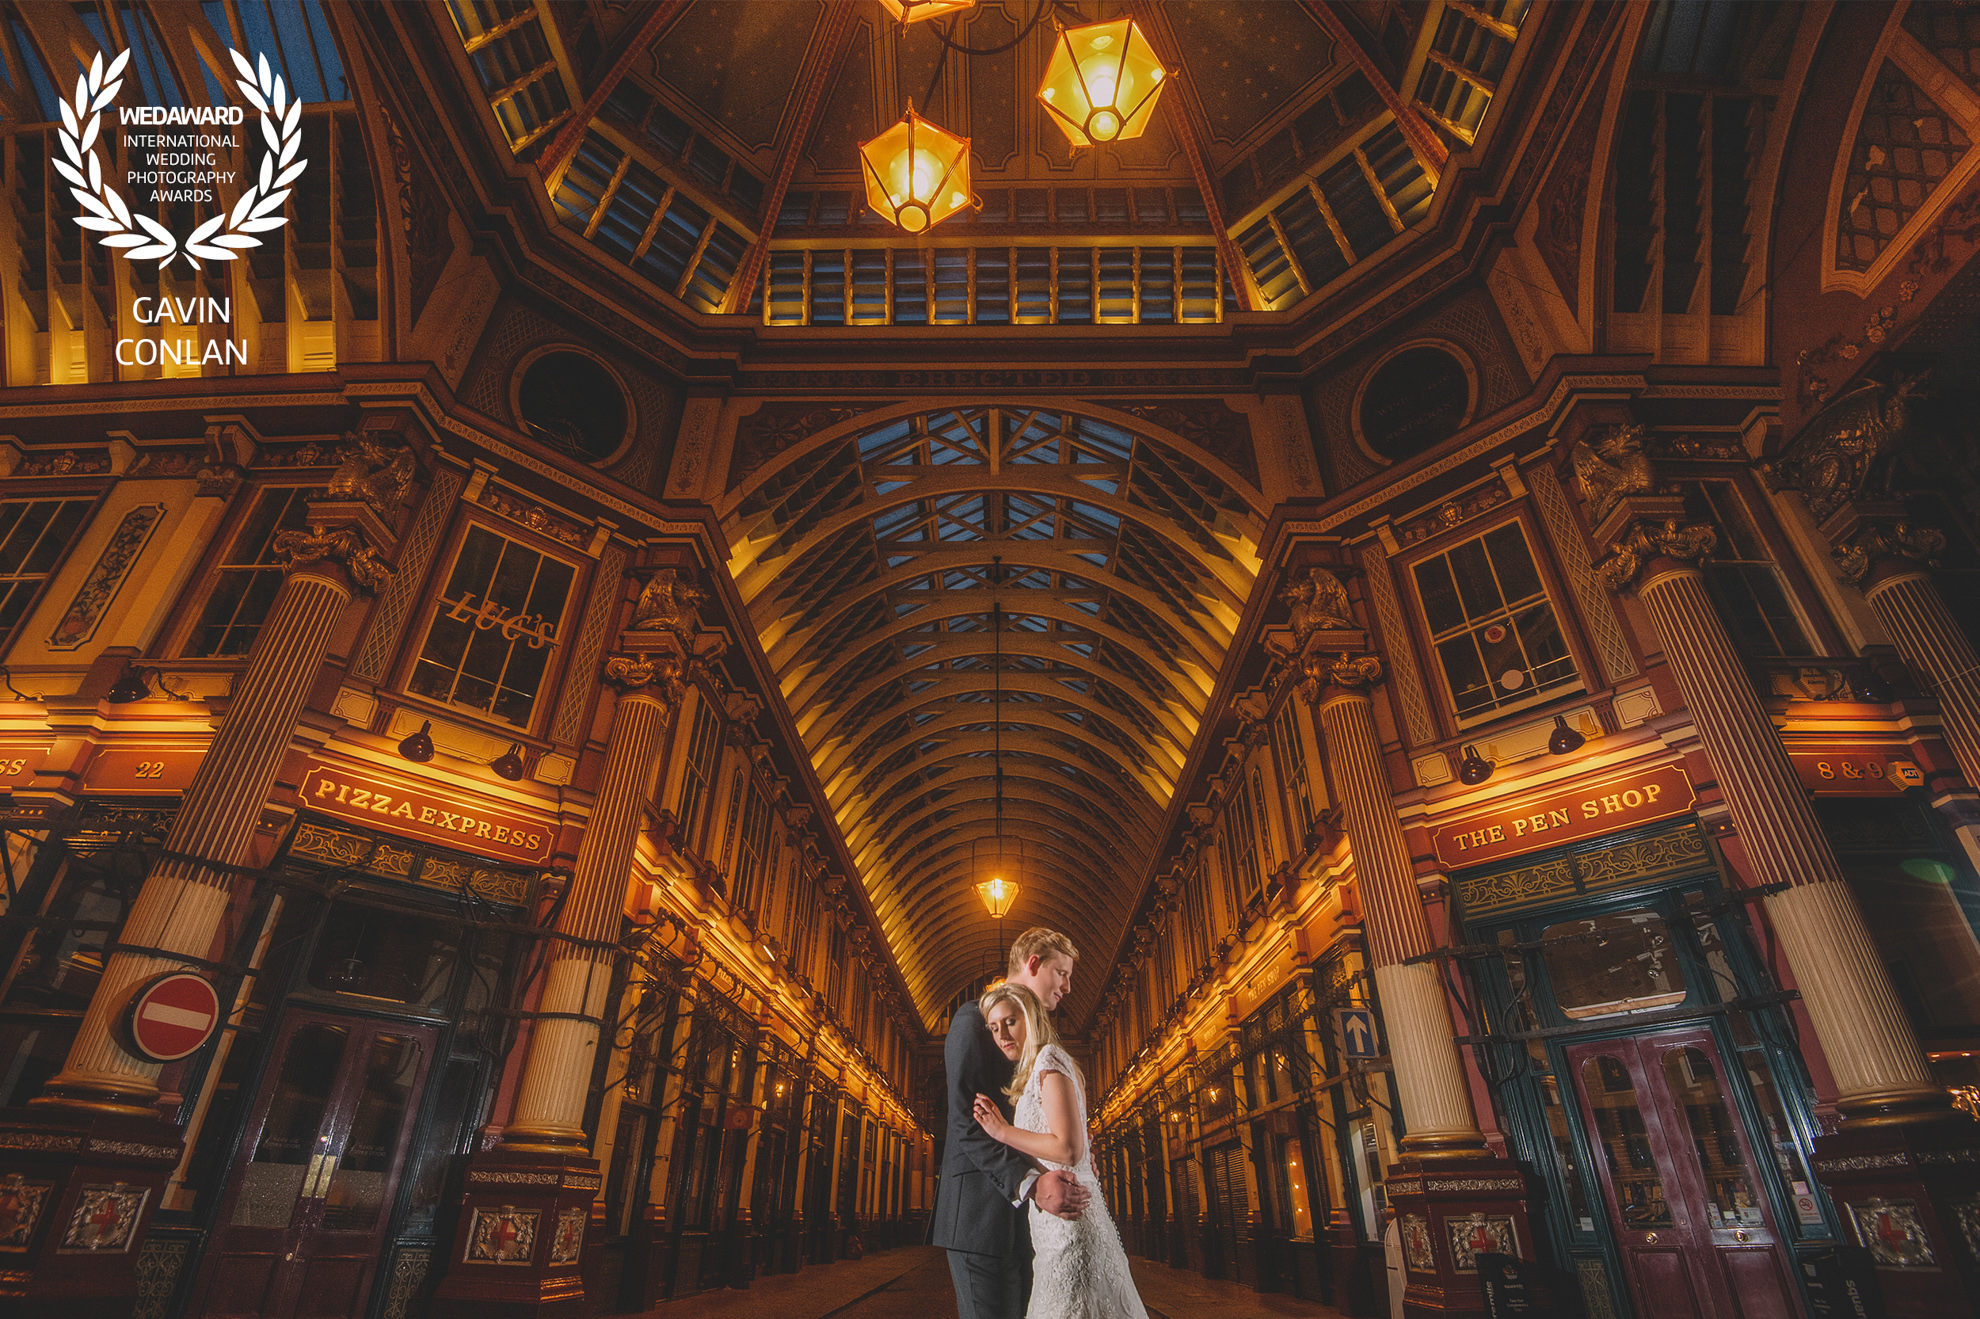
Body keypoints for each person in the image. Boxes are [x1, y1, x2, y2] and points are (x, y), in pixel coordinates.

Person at [930, 927, 1092, 1319]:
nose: (1068, 987)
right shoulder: (973, 1020)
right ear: (1034, 964)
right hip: (980, 1221)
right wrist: (1033, 1183)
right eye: (1062, 973)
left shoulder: (1037, 1037)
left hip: (1030, 1225)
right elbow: (965, 1125)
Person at [972, 978, 1150, 1319]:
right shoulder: (1032, 1072)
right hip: (1053, 1229)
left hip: (1072, 1230)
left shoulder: (1049, 1058)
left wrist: (1003, 1131)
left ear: (1032, 1018)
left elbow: (1068, 1149)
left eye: (1010, 1021)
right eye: (994, 1028)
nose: (1002, 1036)